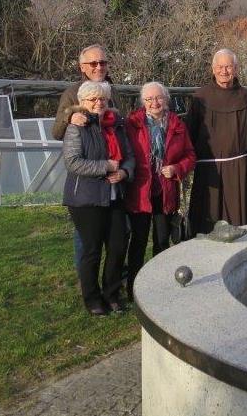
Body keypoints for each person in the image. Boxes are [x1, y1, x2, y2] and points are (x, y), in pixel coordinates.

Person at [62, 81, 135, 316]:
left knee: (117, 246)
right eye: (92, 99)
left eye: (102, 98)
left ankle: (111, 293)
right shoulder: (77, 127)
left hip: (114, 196)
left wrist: (124, 172)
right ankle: (92, 298)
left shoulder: (116, 125)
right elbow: (73, 162)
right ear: (82, 102)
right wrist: (106, 166)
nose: (98, 103)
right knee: (92, 250)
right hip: (86, 199)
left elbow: (129, 156)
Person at [125, 82, 196, 301]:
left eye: (158, 98)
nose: (154, 103)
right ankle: (133, 289)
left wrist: (177, 168)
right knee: (138, 242)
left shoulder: (177, 124)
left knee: (162, 241)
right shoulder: (132, 124)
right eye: (149, 99)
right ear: (143, 102)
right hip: (140, 192)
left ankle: (161, 285)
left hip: (165, 192)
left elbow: (190, 156)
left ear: (166, 99)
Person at [53, 44, 119, 271]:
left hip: (113, 177)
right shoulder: (72, 93)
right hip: (88, 181)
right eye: (93, 63)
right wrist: (70, 117)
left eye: (103, 62)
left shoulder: (113, 91)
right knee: (87, 239)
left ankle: (113, 278)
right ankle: (86, 279)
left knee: (116, 236)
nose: (98, 67)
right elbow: (57, 131)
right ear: (82, 67)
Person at [185, 49, 247, 234]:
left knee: (238, 221)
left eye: (228, 67)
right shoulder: (200, 98)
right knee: (207, 219)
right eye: (220, 67)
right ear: (213, 69)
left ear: (235, 69)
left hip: (238, 167)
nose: (224, 71)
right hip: (208, 168)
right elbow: (189, 132)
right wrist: (187, 163)